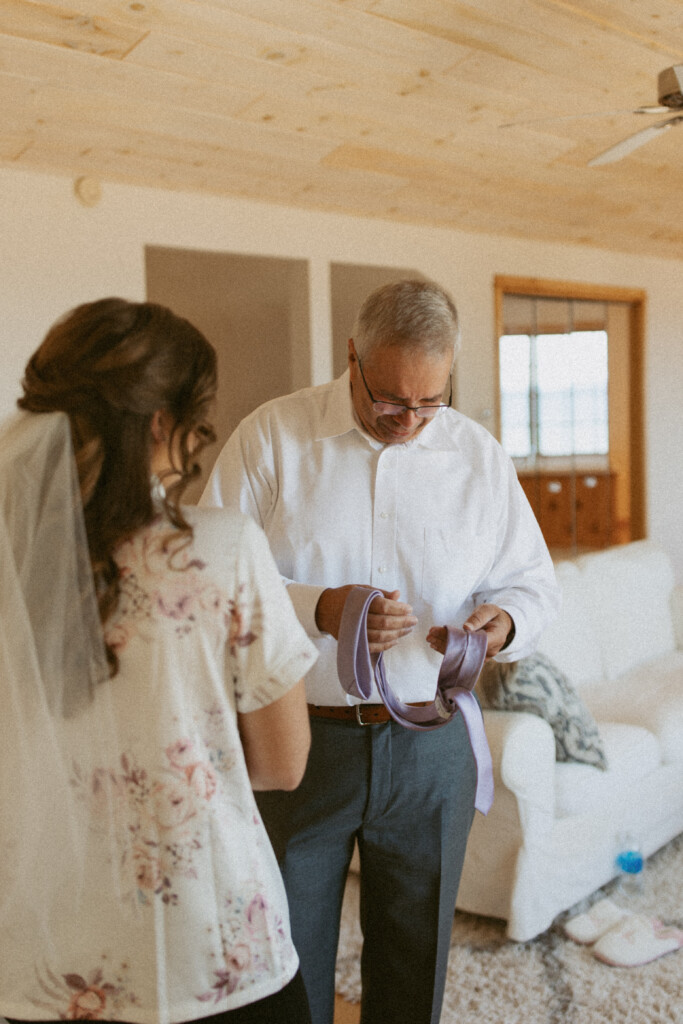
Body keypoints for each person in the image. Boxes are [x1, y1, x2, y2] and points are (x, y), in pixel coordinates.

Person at [200, 278, 561, 1024]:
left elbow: (533, 585)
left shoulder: (478, 456)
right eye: (391, 401)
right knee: (287, 959)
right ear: (353, 357)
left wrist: (499, 625)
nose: (408, 422)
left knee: (413, 951)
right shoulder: (271, 436)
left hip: (431, 747)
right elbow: (208, 580)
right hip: (301, 742)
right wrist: (314, 608)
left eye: (430, 403)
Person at [0, 298, 318, 1024]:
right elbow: (283, 763)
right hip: (205, 938)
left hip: (40, 955)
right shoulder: (221, 549)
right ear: (158, 424)